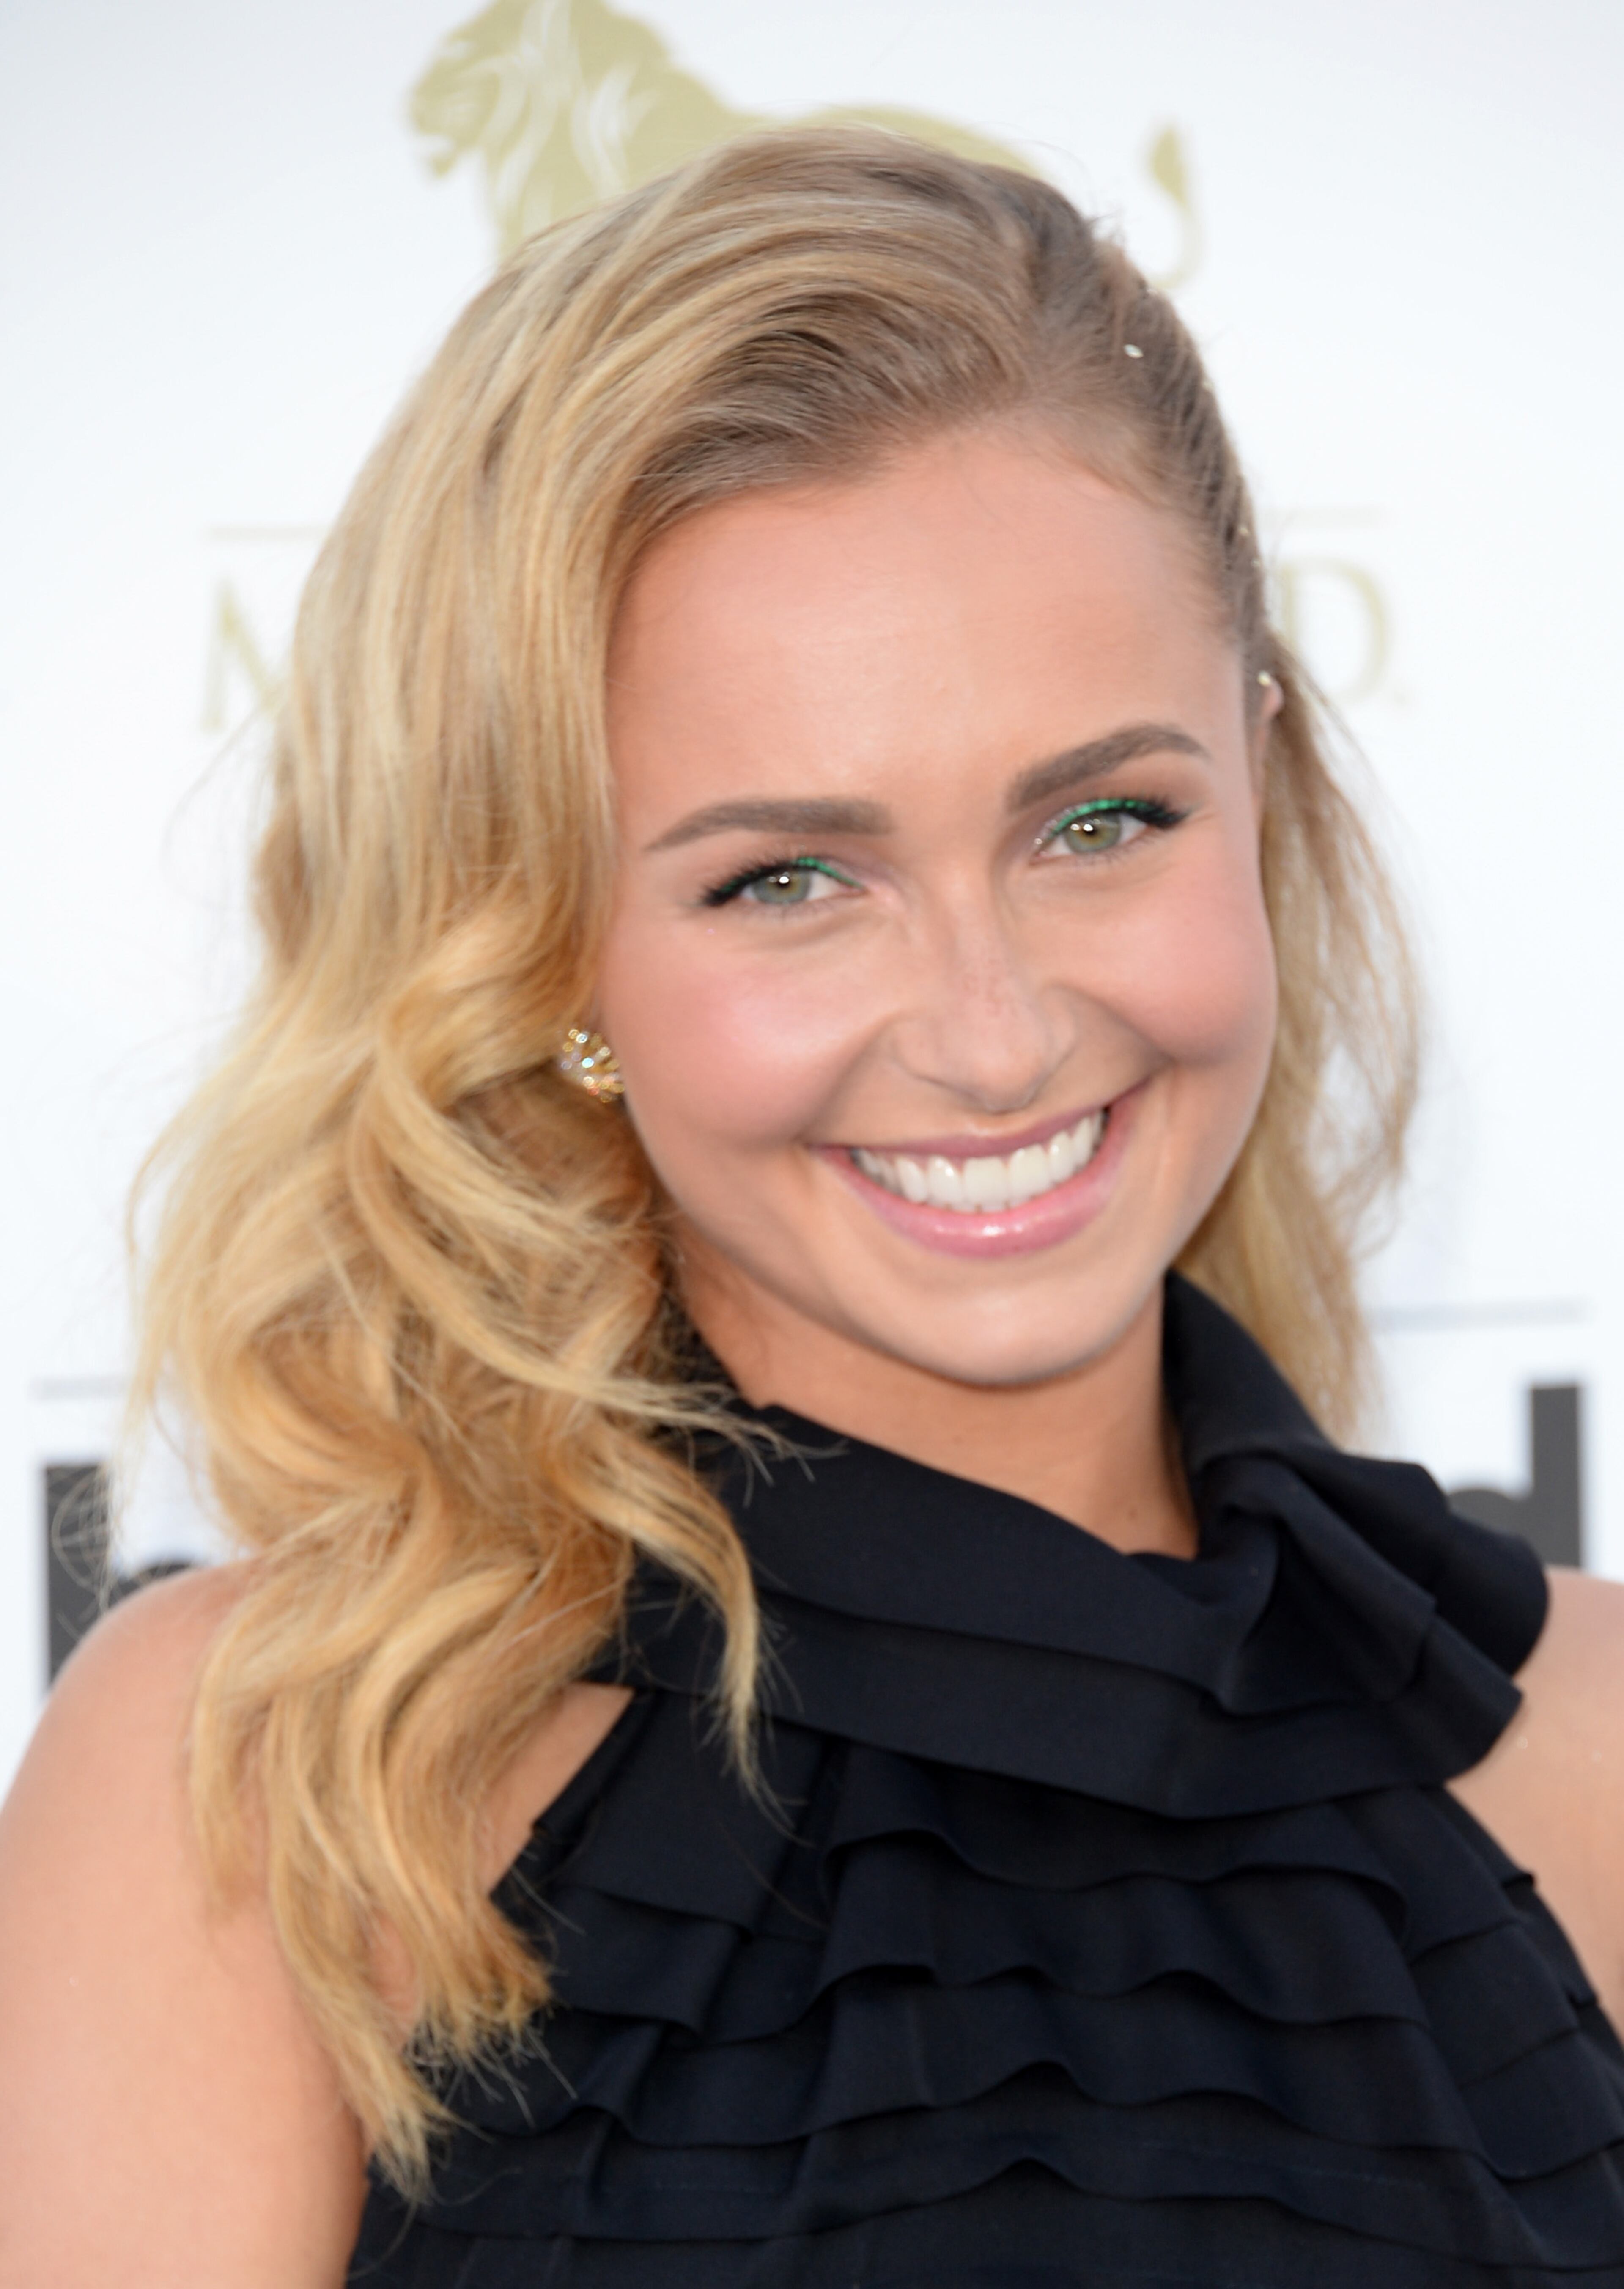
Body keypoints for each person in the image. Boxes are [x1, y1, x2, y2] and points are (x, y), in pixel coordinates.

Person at [4, 126, 1624, 2288]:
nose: (989, 1032)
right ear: (551, 954)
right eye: (789, 878)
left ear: (1266, 780)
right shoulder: (276, 1793)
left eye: (1101, 821)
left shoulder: (1593, 1753)